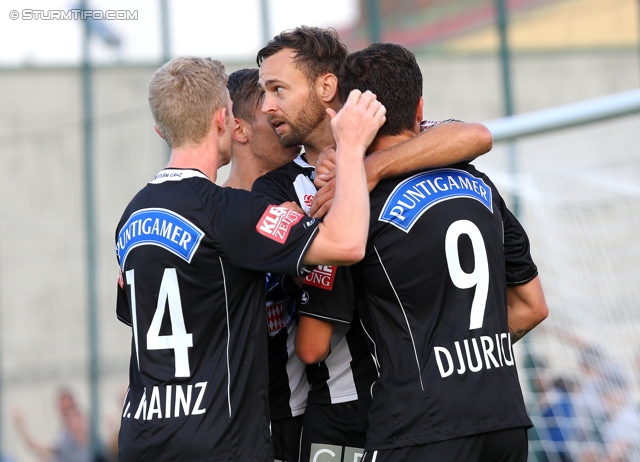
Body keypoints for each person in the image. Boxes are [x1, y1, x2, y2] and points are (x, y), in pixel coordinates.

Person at [114, 56, 386, 461]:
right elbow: (345, 245)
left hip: (141, 435)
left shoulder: (132, 216)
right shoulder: (226, 210)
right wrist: (350, 148)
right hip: (215, 438)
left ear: (160, 130)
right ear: (224, 120)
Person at [255, 26, 493, 462]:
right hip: (342, 405)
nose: (268, 105)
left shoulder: (400, 140)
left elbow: (475, 135)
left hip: (424, 401)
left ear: (328, 86)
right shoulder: (276, 190)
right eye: (263, 92)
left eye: (278, 89)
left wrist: (366, 168)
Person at [335, 42, 548, 461]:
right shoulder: (480, 187)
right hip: (504, 420)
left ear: (352, 118)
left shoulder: (360, 205)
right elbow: (532, 306)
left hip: (420, 427)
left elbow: (315, 342)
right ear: (419, 108)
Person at [223, 68, 308, 462]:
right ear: (238, 129)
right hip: (239, 425)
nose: (280, 116)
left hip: (308, 415)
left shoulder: (311, 193)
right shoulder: (210, 215)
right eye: (268, 111)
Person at [13, 388, 95, 462]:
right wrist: (20, 426)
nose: (66, 412)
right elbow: (40, 448)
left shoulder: (95, 441)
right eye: (63, 409)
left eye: (69, 407)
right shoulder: (65, 443)